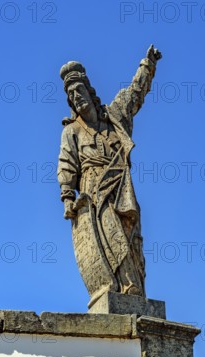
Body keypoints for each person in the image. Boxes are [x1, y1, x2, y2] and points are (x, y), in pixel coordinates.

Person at [57, 45, 162, 307]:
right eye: (71, 95)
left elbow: (135, 93)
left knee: (131, 240)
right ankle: (125, 287)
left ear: (89, 92)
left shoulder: (114, 117)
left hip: (122, 188)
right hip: (94, 192)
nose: (76, 98)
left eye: (79, 91)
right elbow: (67, 163)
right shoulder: (72, 132)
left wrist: (147, 65)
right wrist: (67, 195)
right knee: (110, 240)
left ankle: (136, 290)